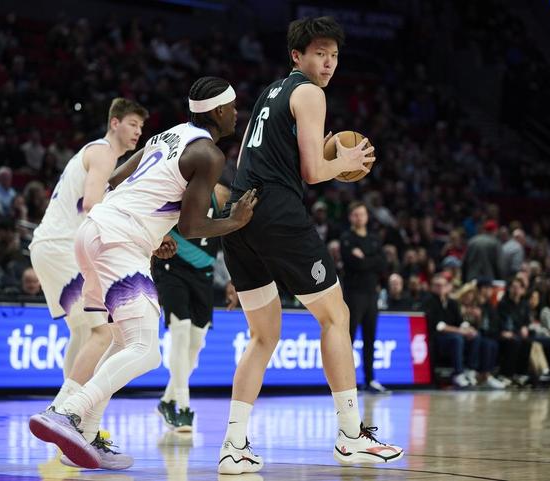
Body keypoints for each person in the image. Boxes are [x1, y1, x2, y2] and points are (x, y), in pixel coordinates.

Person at [29, 76, 257, 470]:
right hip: (119, 242)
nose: (236, 114)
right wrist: (235, 221)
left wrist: (154, 231)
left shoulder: (168, 135)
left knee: (118, 340)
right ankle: (67, 413)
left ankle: (85, 432)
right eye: (233, 107)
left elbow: (117, 180)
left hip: (92, 234)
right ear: (219, 111)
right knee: (146, 350)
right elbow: (192, 226)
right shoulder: (208, 154)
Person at [218, 17, 402, 475]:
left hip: (239, 218)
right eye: (320, 53)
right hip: (278, 216)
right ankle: (350, 435)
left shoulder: (270, 94)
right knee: (336, 316)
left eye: (334, 55)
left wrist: (323, 151)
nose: (329, 63)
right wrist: (347, 160)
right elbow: (313, 172)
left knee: (264, 336)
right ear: (297, 56)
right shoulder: (310, 93)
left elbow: (264, 157)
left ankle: (233, 445)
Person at [28, 98, 148, 470]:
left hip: (51, 247)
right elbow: (93, 204)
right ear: (114, 123)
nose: (138, 131)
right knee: (106, 333)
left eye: (141, 127)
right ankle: (65, 415)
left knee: (85, 333)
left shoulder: (99, 155)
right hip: (64, 247)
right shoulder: (103, 153)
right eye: (132, 124)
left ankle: (73, 425)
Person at [154, 177, 237, 432]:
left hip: (203, 274)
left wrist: (233, 280)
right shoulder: (184, 189)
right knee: (180, 333)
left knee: (196, 342)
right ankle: (183, 407)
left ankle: (167, 401)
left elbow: (233, 241)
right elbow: (154, 213)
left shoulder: (225, 200)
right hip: (172, 266)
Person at [340, 201, 387, 393]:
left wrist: (365, 259)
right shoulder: (347, 238)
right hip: (353, 294)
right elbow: (353, 264)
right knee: (348, 338)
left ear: (367, 216)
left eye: (362, 214)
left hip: (371, 294)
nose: (359, 217)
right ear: (351, 217)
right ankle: (345, 382)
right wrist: (371, 261)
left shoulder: (374, 239)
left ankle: (370, 379)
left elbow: (383, 263)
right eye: (356, 214)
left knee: (370, 339)